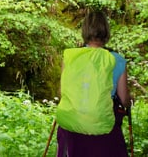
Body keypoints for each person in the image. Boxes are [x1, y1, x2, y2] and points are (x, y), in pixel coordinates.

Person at [56, 11, 132, 157]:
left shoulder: (71, 57)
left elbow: (61, 93)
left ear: (84, 31)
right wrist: (129, 102)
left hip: (71, 126)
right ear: (106, 32)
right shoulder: (117, 59)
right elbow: (123, 99)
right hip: (103, 129)